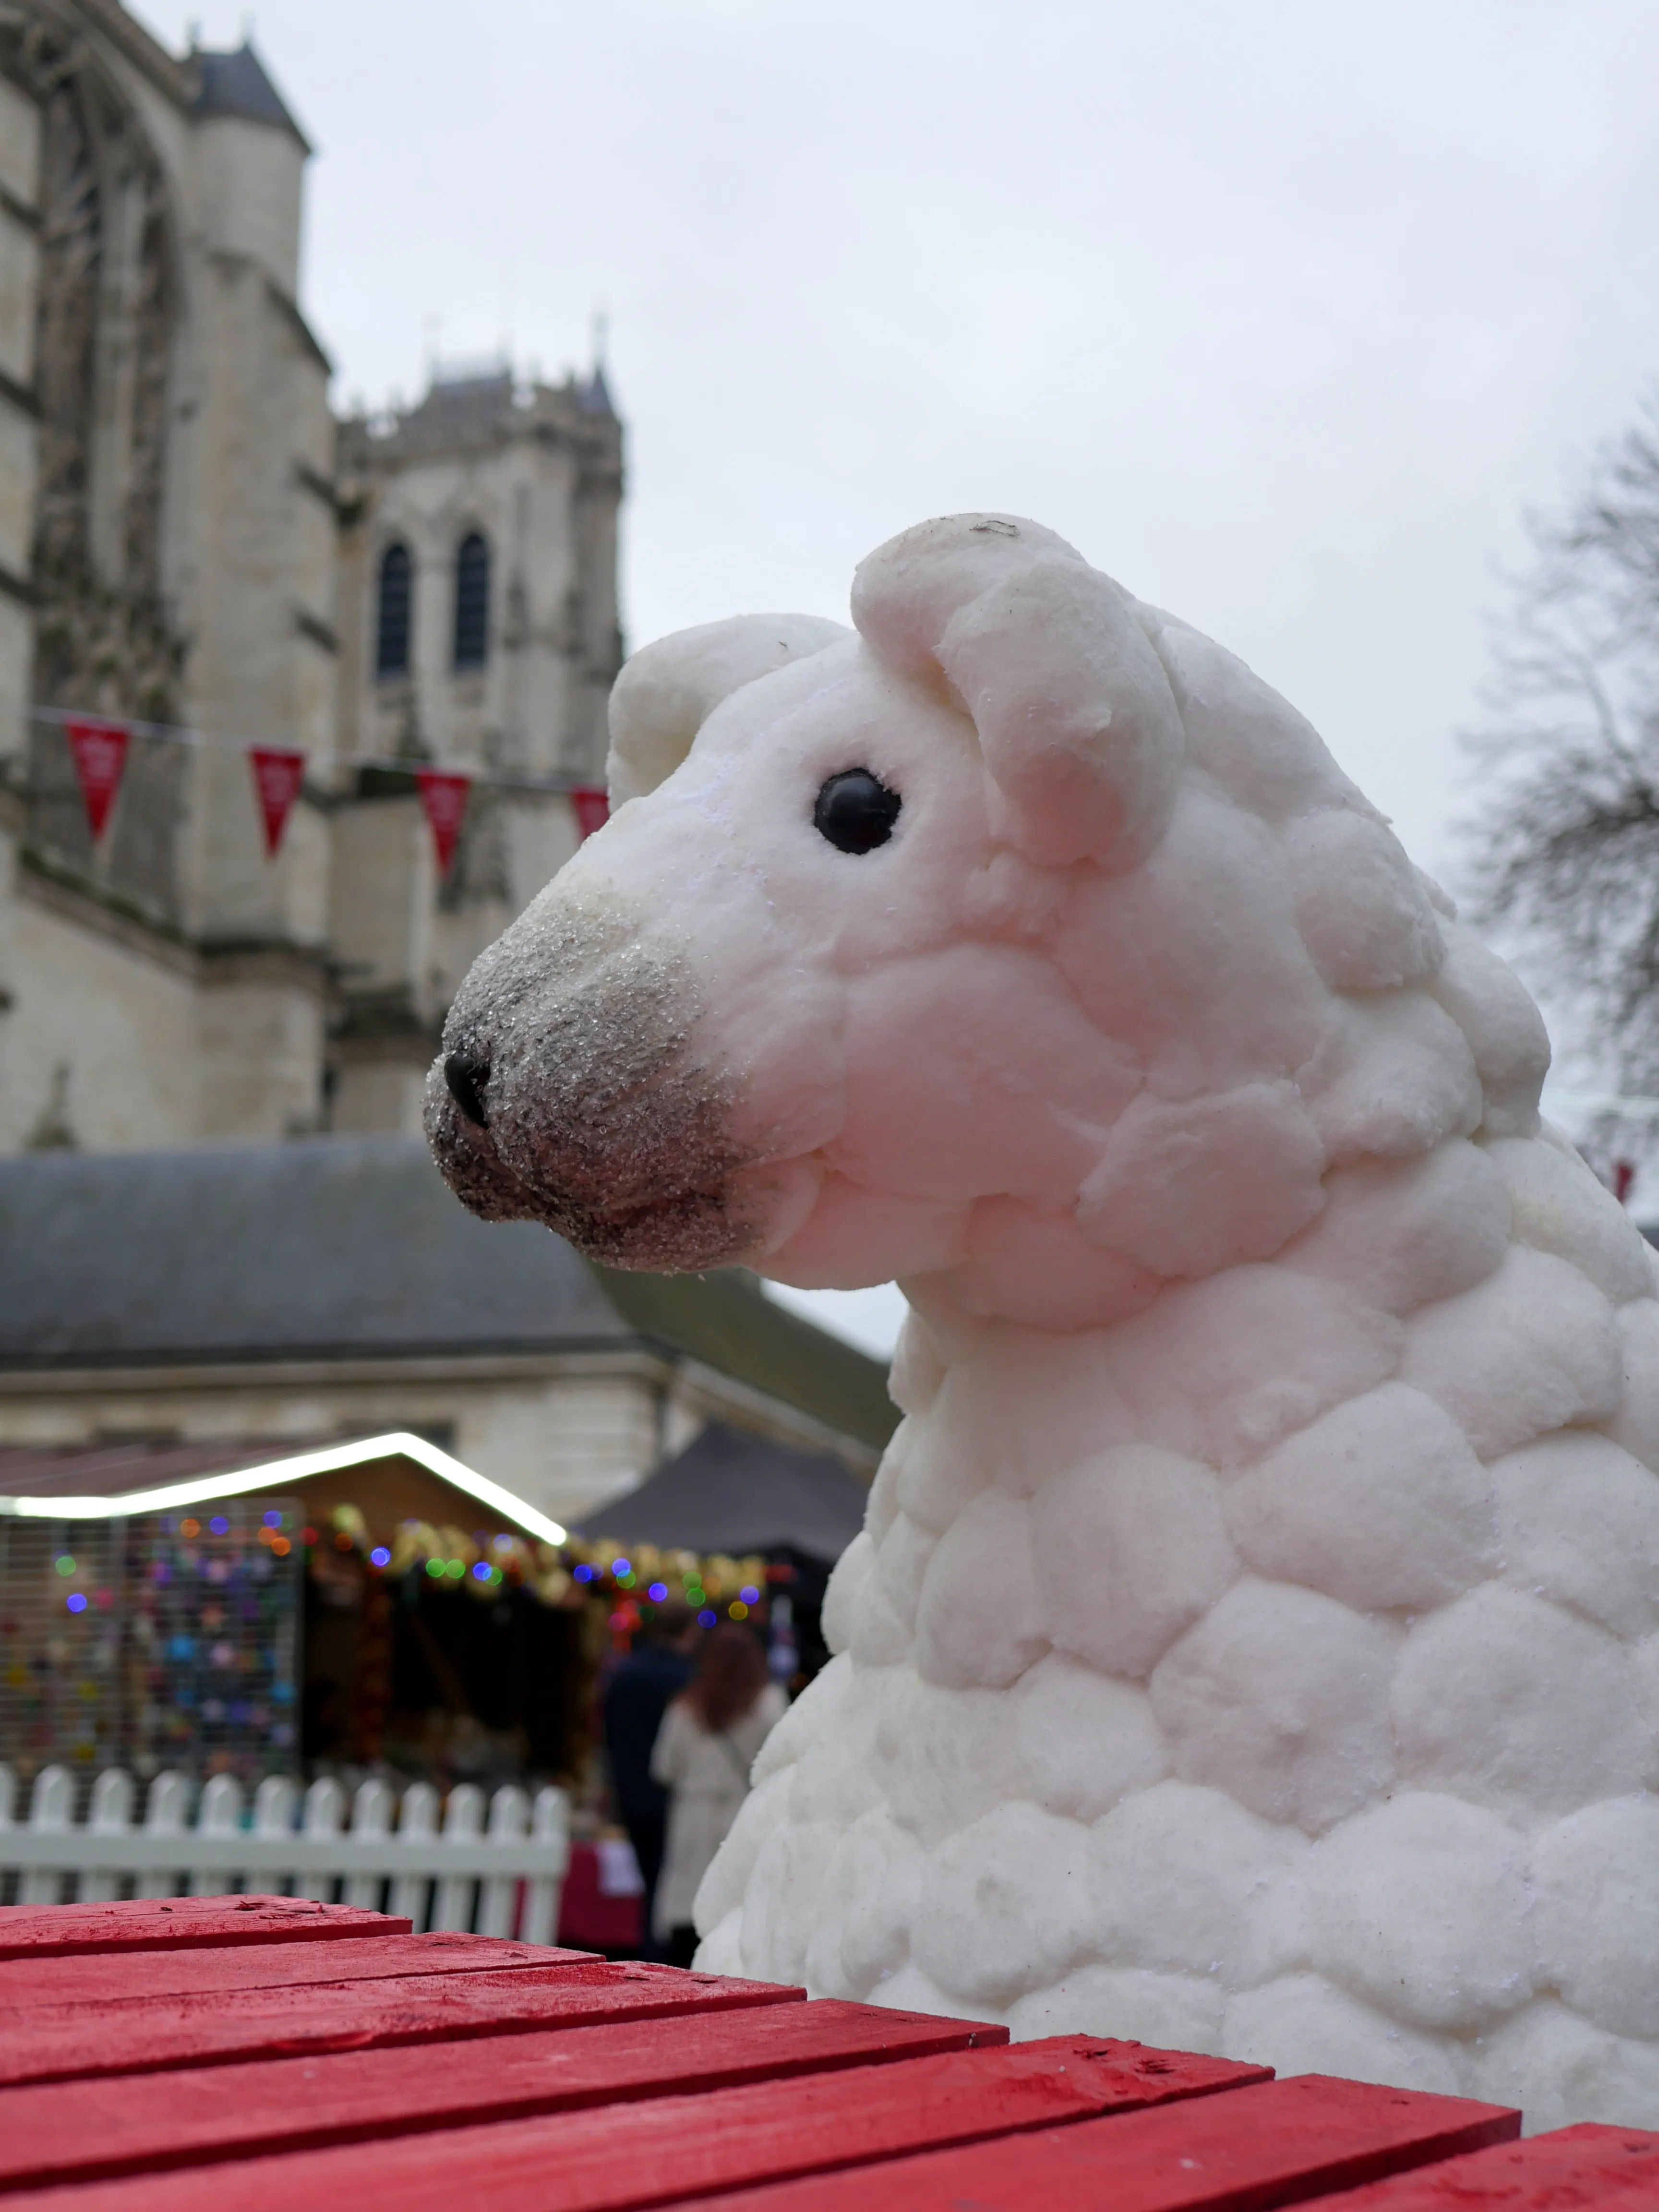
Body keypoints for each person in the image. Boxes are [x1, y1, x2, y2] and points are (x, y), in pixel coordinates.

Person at [650, 1623, 787, 1967]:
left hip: (693, 1815)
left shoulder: (686, 1706)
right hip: (744, 1813)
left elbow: (664, 1767)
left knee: (689, 1903)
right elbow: (782, 1764)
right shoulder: (770, 1703)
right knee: (738, 1901)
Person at [601, 1600, 699, 1959]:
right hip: (672, 1795)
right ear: (689, 1632)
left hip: (631, 1793)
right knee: (669, 1882)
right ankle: (660, 1957)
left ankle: (649, 1951)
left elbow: (609, 1734)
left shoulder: (624, 1673)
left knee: (649, 1879)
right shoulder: (688, 1679)